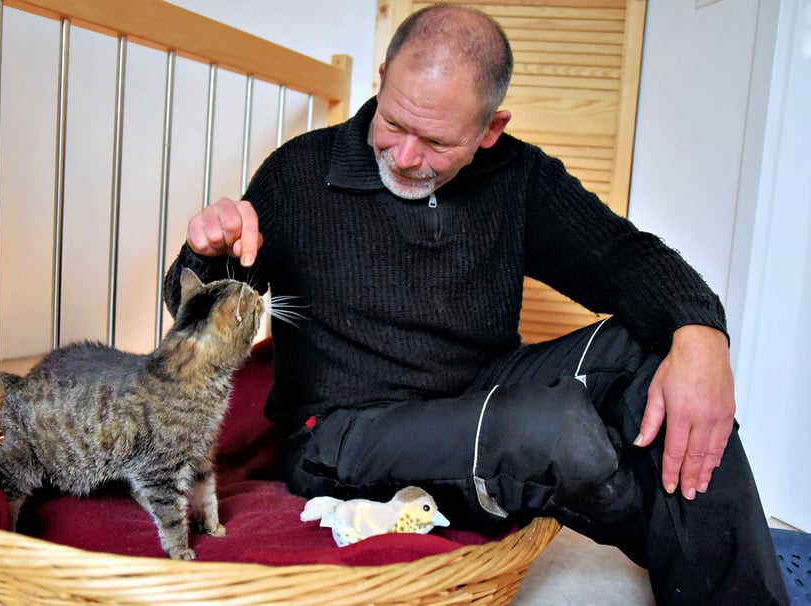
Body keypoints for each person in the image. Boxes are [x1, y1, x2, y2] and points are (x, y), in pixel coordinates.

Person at [163, 5, 787, 604]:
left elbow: (628, 259)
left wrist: (703, 333)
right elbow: (191, 311)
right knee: (556, 432)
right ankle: (696, 543)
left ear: (491, 129)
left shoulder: (519, 179)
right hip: (344, 430)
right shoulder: (297, 174)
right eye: (393, 123)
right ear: (381, 82)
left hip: (480, 391)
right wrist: (206, 254)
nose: (404, 157)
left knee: (661, 351)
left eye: (435, 141)